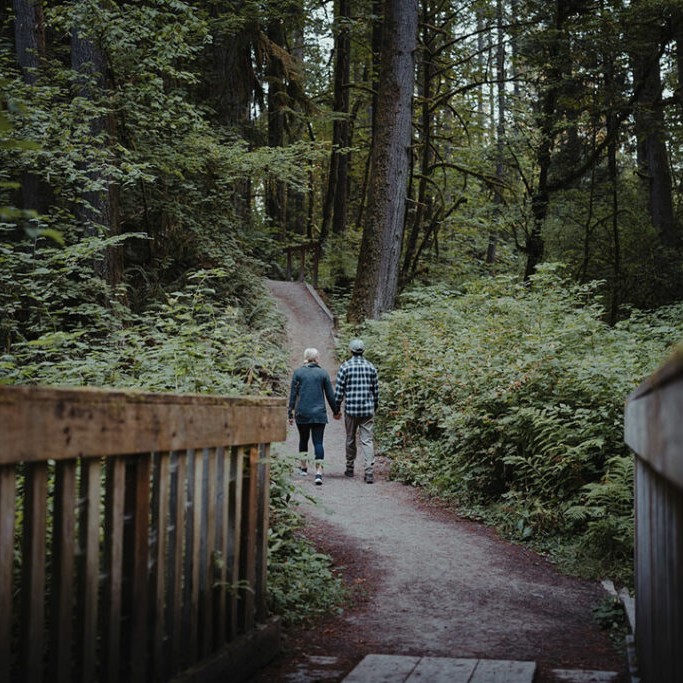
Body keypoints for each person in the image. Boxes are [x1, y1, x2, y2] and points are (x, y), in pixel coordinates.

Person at [288, 347, 338, 485]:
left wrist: (290, 413)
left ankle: (303, 468)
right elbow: (330, 395)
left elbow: (293, 395)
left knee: (303, 440)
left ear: (305, 357)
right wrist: (335, 411)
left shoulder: (298, 373)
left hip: (302, 412)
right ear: (316, 358)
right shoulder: (322, 373)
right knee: (318, 442)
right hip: (318, 414)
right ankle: (318, 472)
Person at [333, 338, 379, 484]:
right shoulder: (371, 367)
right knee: (367, 440)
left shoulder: (345, 367)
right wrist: (375, 406)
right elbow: (376, 391)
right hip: (367, 410)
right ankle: (369, 471)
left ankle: (350, 467)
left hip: (351, 410)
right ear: (363, 351)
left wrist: (336, 408)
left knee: (350, 438)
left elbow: (339, 392)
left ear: (351, 351)